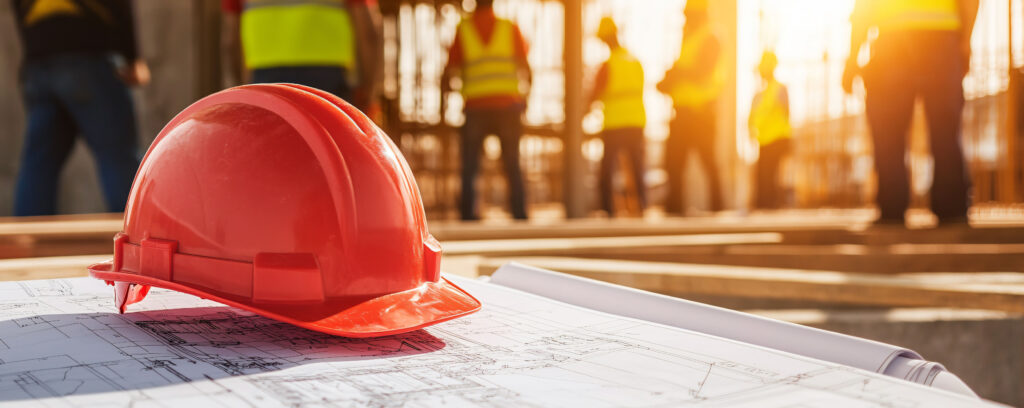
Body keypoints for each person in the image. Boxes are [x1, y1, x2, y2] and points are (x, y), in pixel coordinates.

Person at [843, 0, 979, 226]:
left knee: (888, 129)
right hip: (941, 38)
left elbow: (864, 8)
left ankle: (891, 205)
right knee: (945, 127)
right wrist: (965, 41)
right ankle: (951, 207)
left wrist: (852, 56)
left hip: (891, 40)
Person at [10, 0, 148, 216]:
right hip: (89, 54)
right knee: (118, 155)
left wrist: (35, 48)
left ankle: (26, 241)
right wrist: (131, 57)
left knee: (39, 163)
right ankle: (135, 236)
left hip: (39, 62)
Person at [441, 0, 531, 221]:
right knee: (512, 164)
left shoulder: (464, 29)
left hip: (475, 108)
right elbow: (526, 68)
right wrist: (526, 100)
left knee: (470, 166)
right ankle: (520, 215)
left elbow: (448, 71)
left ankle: (467, 216)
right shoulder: (509, 27)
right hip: (508, 107)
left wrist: (442, 106)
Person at [221, 0, 382, 110]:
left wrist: (239, 91)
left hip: (265, 80)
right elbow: (369, 34)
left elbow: (230, 41)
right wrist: (368, 95)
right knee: (329, 154)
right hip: (329, 82)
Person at [657, 0, 723, 215]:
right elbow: (679, 72)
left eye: (689, 15)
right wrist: (669, 81)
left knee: (709, 163)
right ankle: (675, 210)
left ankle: (719, 209)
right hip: (683, 112)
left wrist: (678, 75)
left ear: (699, 14)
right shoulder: (689, 41)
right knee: (674, 163)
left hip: (701, 113)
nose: (685, 19)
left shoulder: (711, 37)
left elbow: (702, 71)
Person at [588, 17, 647, 217]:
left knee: (607, 171)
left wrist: (583, 111)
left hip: (614, 123)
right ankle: (641, 208)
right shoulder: (635, 60)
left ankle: (608, 210)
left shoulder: (609, 64)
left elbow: (595, 92)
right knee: (637, 168)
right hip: (636, 122)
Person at [748, 51, 792, 210]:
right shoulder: (760, 94)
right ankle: (763, 205)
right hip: (764, 140)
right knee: (763, 175)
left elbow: (786, 112)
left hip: (777, 138)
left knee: (771, 175)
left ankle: (771, 205)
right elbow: (753, 117)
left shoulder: (779, 89)